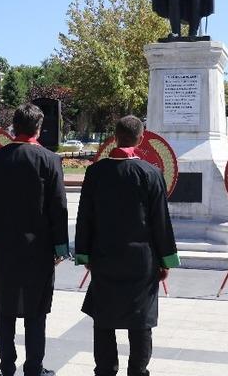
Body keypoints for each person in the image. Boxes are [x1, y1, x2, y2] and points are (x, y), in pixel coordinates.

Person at [75, 116, 180, 376]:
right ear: (141, 138)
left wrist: (84, 254)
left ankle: (105, 371)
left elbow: (85, 216)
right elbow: (160, 222)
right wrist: (166, 260)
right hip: (142, 261)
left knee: (104, 320)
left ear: (115, 136)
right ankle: (138, 371)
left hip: (104, 257)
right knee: (140, 321)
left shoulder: (95, 172)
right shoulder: (151, 173)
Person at [0, 103, 69, 376]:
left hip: (3, 248)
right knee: (36, 311)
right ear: (39, 128)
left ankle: (6, 367)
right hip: (38, 250)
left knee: (4, 309)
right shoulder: (50, 160)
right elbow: (58, 207)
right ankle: (33, 368)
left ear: (14, 126)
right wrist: (60, 246)